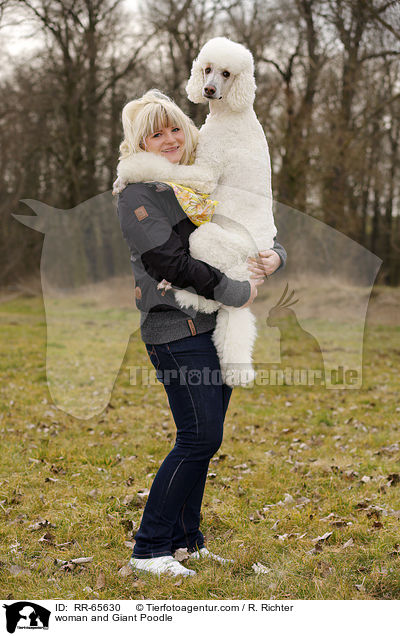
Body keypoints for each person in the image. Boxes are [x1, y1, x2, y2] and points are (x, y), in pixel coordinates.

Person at [116, 90, 286, 577]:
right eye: (156, 133)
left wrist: (276, 254)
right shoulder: (137, 192)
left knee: (205, 439)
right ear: (141, 142)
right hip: (173, 330)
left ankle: (187, 541)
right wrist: (233, 290)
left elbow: (246, 221)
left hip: (212, 329)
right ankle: (150, 550)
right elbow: (168, 260)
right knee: (197, 436)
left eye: (175, 129)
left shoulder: (197, 185)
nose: (169, 139)